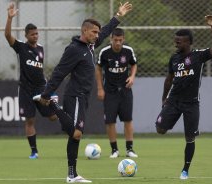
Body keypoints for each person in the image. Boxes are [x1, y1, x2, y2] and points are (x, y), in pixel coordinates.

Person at [37, 2, 132, 183]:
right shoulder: (74, 49)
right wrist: (46, 94)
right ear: (85, 31)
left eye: (97, 33)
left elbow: (105, 32)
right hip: (75, 95)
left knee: (75, 135)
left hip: (84, 97)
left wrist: (118, 16)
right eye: (94, 32)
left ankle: (72, 175)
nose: (97, 35)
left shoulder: (89, 46)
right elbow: (59, 72)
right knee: (76, 133)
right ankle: (55, 105)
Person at [155, 15, 212, 180]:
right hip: (173, 101)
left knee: (189, 138)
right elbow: (169, 79)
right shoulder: (174, 58)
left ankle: (185, 170)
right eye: (175, 41)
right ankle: (169, 119)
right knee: (160, 129)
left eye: (179, 41)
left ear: (188, 43)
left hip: (191, 104)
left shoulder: (198, 56)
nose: (176, 43)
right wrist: (164, 98)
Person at [4, 2, 58, 159]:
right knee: (30, 120)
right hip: (26, 90)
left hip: (41, 88)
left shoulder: (40, 48)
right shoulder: (20, 47)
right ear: (26, 35)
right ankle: (34, 151)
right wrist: (9, 18)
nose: (35, 36)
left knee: (53, 117)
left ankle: (58, 106)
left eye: (37, 34)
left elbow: (39, 70)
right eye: (32, 34)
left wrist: (47, 87)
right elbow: (7, 35)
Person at [95, 28, 138, 159]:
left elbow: (134, 64)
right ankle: (114, 150)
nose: (118, 43)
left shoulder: (128, 51)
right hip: (110, 91)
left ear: (123, 39)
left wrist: (132, 76)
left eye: (120, 40)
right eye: (115, 40)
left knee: (128, 120)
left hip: (125, 90)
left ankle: (129, 149)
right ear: (111, 39)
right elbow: (98, 68)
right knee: (110, 122)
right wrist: (100, 89)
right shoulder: (104, 52)